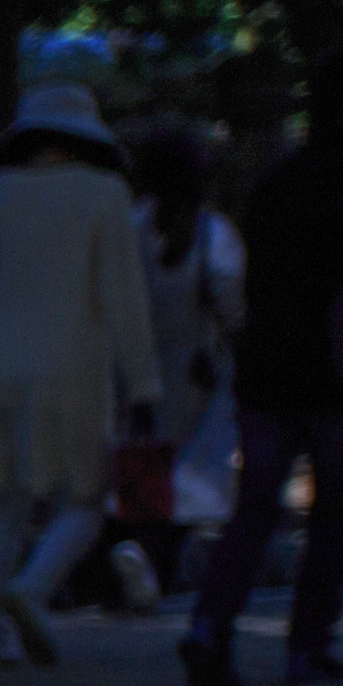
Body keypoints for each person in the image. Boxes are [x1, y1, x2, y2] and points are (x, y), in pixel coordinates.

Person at [0, 81, 160, 668]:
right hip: (75, 372)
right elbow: (123, 299)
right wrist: (145, 383)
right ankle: (31, 588)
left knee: (0, 503)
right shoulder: (105, 197)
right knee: (86, 499)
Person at [180, 43, 343, 686]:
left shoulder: (280, 177)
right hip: (339, 369)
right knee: (332, 511)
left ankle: (210, 624)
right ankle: (308, 645)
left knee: (255, 508)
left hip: (269, 364)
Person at [111, 121, 243, 601]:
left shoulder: (131, 226)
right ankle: (157, 567)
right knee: (189, 477)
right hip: (197, 368)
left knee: (141, 468)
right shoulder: (212, 231)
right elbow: (231, 300)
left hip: (136, 366)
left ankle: (136, 555)